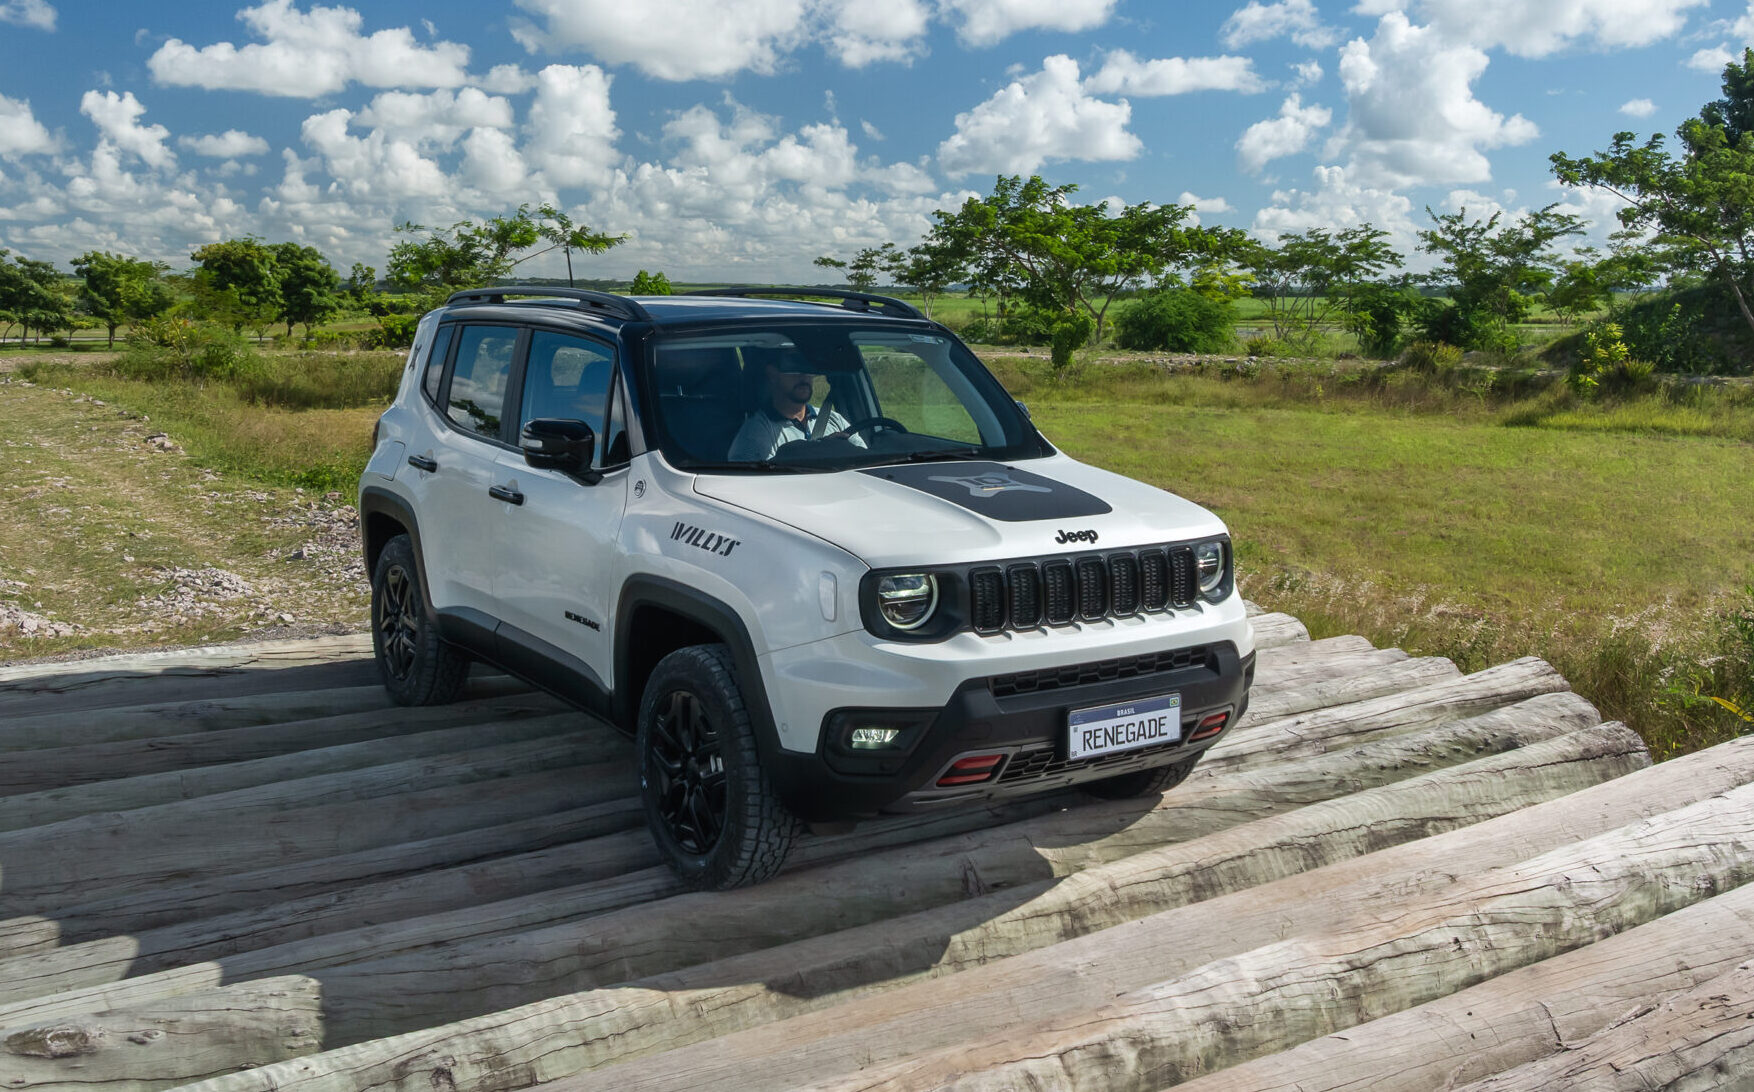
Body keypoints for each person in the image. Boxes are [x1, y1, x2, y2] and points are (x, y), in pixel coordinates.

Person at [727, 359, 865, 461]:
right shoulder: (755, 433)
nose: (803, 376)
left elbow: (865, 458)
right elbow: (756, 485)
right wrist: (823, 448)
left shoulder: (834, 419)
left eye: (808, 368)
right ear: (772, 374)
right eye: (794, 368)